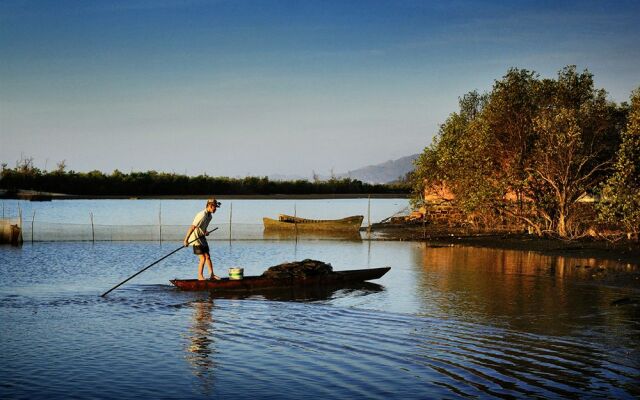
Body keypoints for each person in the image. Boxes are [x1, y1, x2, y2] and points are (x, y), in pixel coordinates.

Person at [184, 198, 221, 280]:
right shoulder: (202, 215)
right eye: (215, 207)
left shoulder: (209, 216)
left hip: (201, 237)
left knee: (207, 256)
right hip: (195, 238)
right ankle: (200, 276)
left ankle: (212, 275)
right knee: (202, 258)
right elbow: (192, 227)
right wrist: (186, 240)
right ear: (210, 206)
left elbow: (202, 228)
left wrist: (205, 232)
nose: (216, 209)